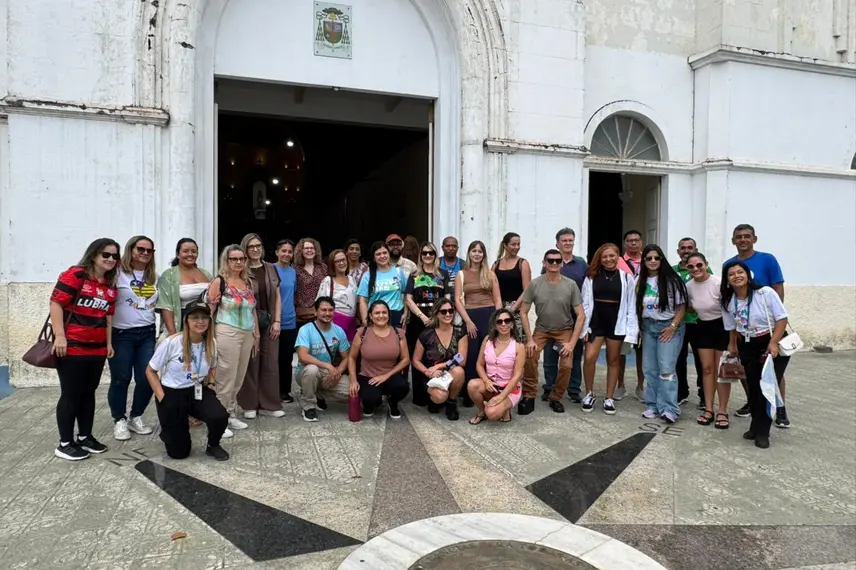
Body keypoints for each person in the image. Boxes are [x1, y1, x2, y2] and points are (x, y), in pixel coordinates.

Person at [50, 238, 120, 461]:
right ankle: (65, 443)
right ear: (94, 255)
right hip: (72, 347)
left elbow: (108, 316)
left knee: (89, 394)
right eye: (106, 255)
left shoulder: (110, 284)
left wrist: (108, 344)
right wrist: (60, 336)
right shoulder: (76, 275)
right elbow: (56, 303)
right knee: (71, 394)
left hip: (97, 350)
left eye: (114, 256)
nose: (110, 259)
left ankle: (85, 437)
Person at [145, 300, 230, 461]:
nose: (200, 322)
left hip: (196, 389)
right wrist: (163, 398)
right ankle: (170, 430)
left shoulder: (211, 342)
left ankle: (213, 445)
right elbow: (150, 371)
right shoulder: (171, 343)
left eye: (204, 318)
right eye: (195, 317)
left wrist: (211, 383)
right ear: (186, 320)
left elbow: (212, 367)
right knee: (179, 453)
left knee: (219, 416)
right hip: (172, 393)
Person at [725, 223, 790, 427]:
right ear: (733, 241)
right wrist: (733, 341)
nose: (743, 240)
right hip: (744, 331)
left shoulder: (767, 259)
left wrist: (773, 320)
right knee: (750, 373)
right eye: (739, 237)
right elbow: (729, 292)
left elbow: (777, 288)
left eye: (747, 236)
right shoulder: (729, 263)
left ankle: (779, 408)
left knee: (773, 373)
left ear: (754, 239)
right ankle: (753, 403)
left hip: (767, 328)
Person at [519, 249, 585, 415]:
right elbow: (523, 311)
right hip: (542, 329)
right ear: (544, 263)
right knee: (530, 356)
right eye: (550, 260)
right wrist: (530, 339)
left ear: (562, 263)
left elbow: (581, 315)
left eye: (557, 261)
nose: (554, 263)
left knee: (567, 365)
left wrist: (571, 343)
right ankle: (529, 395)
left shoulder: (570, 285)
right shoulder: (535, 284)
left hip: (564, 330)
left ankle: (555, 397)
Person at [108, 235, 158, 441]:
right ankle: (119, 419)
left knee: (147, 378)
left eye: (149, 250)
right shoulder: (117, 273)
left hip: (147, 333)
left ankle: (136, 416)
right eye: (141, 249)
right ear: (131, 249)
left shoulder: (152, 275)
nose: (145, 253)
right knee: (121, 379)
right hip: (121, 334)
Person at [580, 243, 639, 415]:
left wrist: (630, 331)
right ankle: (589, 394)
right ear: (600, 259)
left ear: (618, 256)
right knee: (590, 357)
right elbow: (585, 304)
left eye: (612, 256)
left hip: (616, 322)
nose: (608, 259)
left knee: (614, 360)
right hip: (596, 322)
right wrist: (584, 329)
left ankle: (609, 397)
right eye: (604, 257)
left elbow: (630, 306)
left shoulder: (626, 277)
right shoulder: (591, 277)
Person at [208, 244, 259, 436]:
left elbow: (251, 310)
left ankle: (230, 414)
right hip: (226, 331)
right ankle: (218, 421)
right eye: (234, 259)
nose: (238, 262)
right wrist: (209, 337)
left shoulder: (247, 282)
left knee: (238, 377)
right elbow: (210, 311)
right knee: (225, 377)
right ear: (226, 261)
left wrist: (256, 335)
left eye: (241, 259)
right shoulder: (219, 281)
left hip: (246, 332)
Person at [637, 245, 687, 424]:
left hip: (668, 327)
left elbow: (682, 306)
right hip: (648, 327)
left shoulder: (673, 279)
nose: (652, 261)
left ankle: (669, 408)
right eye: (648, 258)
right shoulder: (640, 280)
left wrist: (673, 326)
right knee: (650, 368)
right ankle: (653, 405)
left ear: (661, 259)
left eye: (656, 258)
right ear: (644, 261)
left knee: (666, 368)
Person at [237, 233, 283, 420]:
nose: (256, 249)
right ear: (245, 249)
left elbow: (278, 295)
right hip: (248, 323)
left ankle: (270, 404)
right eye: (251, 246)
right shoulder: (241, 269)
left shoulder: (271, 268)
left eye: (258, 245)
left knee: (270, 362)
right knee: (250, 361)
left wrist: (277, 321)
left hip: (270, 321)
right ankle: (249, 404)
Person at [685, 253, 731, 429]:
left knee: (722, 371)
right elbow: (688, 306)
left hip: (722, 328)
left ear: (706, 264)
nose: (695, 269)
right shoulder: (688, 286)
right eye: (691, 266)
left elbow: (729, 309)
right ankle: (709, 409)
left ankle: (723, 410)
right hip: (702, 328)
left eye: (699, 265)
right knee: (706, 369)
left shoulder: (719, 283)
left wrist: (733, 337)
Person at [541, 228, 586, 403]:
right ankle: (549, 387)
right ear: (557, 243)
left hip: (574, 319)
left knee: (573, 355)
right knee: (551, 357)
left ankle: (574, 389)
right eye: (564, 240)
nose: (568, 243)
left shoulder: (582, 264)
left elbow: (587, 291)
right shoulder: (551, 261)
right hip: (552, 319)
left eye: (570, 240)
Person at [454, 240, 502, 405]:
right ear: (469, 253)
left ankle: (489, 390)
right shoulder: (461, 274)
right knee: (472, 354)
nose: (476, 254)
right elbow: (457, 300)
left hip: (489, 316)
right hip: (470, 317)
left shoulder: (490, 274)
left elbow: (497, 299)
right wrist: (467, 321)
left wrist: (498, 320)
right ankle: (469, 393)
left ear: (484, 255)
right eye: (473, 251)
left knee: (489, 355)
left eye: (480, 251)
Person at [348, 301, 412, 418]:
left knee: (402, 387)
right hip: (368, 377)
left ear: (389, 315)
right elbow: (352, 357)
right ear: (371, 316)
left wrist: (386, 376)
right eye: (377, 313)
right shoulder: (362, 332)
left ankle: (393, 402)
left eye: (384, 312)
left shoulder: (399, 333)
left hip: (390, 375)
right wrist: (353, 380)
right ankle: (371, 404)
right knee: (371, 399)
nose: (381, 316)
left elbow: (406, 359)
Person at [405, 241, 450, 402]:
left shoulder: (442, 275)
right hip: (418, 320)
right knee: (417, 357)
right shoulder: (414, 275)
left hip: (438, 319)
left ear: (435, 255)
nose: (428, 256)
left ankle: (437, 392)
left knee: (435, 356)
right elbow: (408, 299)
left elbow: (447, 298)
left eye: (431, 253)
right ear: (421, 256)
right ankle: (420, 395)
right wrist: (422, 317)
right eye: (425, 253)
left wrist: (440, 317)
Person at [294, 297, 352, 422]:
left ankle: (314, 392)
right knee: (312, 370)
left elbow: (347, 357)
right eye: (323, 310)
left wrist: (338, 372)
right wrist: (329, 367)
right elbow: (303, 356)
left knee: (350, 392)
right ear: (315, 312)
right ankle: (308, 406)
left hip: (327, 373)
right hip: (305, 371)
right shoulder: (306, 330)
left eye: (330, 310)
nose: (327, 313)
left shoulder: (338, 331)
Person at [411, 298, 468, 419]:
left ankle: (451, 403)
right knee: (440, 397)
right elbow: (415, 360)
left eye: (450, 311)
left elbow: (461, 359)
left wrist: (440, 366)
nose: (448, 314)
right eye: (443, 312)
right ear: (436, 313)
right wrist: (428, 371)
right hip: (431, 373)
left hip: (449, 371)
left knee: (459, 371)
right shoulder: (426, 334)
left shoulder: (459, 332)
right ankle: (434, 399)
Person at [468, 308, 525, 424]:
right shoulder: (487, 341)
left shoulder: (519, 346)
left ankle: (503, 408)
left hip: (510, 389)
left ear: (512, 324)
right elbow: (479, 364)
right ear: (495, 325)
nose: (503, 324)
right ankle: (481, 412)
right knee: (472, 385)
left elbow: (517, 375)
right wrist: (486, 381)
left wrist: (501, 396)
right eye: (499, 322)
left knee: (492, 414)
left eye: (507, 321)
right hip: (492, 385)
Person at [673, 237, 710, 409]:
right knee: (678, 360)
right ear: (678, 251)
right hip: (680, 323)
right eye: (683, 248)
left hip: (700, 323)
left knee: (701, 361)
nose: (686, 250)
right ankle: (682, 392)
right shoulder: (672, 271)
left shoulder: (704, 269)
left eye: (690, 247)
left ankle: (704, 394)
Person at [155, 238, 212, 336]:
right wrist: (173, 334)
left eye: (194, 251)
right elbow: (166, 307)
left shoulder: (205, 273)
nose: (190, 254)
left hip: (203, 324)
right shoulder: (169, 275)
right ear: (178, 254)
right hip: (180, 324)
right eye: (185, 251)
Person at [617, 229, 645, 402]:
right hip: (623, 312)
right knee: (621, 350)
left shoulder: (650, 260)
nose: (633, 243)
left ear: (641, 242)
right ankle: (620, 384)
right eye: (630, 241)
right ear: (625, 244)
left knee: (642, 351)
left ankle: (641, 386)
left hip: (644, 313)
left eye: (636, 240)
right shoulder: (618, 261)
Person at [358, 241, 408, 327]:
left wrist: (406, 313)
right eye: (378, 254)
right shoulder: (368, 275)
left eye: (385, 253)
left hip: (396, 315)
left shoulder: (398, 272)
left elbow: (407, 295)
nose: (382, 256)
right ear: (374, 258)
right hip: (376, 316)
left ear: (389, 254)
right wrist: (365, 320)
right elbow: (363, 300)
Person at [492, 232, 531, 342]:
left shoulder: (522, 263)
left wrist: (513, 309)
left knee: (518, 342)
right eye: (513, 244)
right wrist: (499, 310)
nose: (517, 247)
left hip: (517, 310)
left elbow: (527, 289)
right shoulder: (496, 264)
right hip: (499, 309)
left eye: (518, 244)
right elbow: (491, 287)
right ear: (505, 245)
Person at [274, 239, 298, 403]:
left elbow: (293, 294)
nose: (286, 254)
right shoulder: (270, 269)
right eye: (284, 251)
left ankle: (284, 391)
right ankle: (270, 391)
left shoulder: (293, 271)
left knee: (286, 358)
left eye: (290, 251)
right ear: (277, 252)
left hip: (290, 321)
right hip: (274, 321)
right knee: (271, 358)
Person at [317, 249, 359, 341]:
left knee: (350, 352)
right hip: (335, 322)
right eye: (337, 261)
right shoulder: (328, 281)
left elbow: (357, 302)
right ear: (332, 264)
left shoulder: (352, 280)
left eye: (343, 259)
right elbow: (320, 305)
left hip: (351, 323)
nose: (341, 263)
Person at [294, 237, 327, 324]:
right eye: (306, 248)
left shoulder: (323, 267)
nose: (309, 250)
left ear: (316, 251)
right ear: (301, 251)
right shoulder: (295, 269)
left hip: (321, 312)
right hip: (302, 315)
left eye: (312, 248)